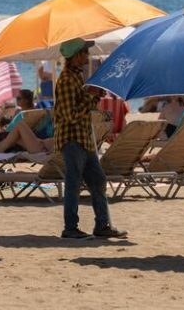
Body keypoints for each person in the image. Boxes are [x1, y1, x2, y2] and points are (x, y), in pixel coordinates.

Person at [55, 38, 126, 240]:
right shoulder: (68, 79)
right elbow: (70, 116)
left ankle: (102, 225)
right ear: (75, 56)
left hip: (83, 139)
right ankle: (70, 228)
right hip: (73, 139)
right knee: (73, 183)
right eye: (84, 52)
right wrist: (91, 95)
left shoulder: (76, 78)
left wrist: (92, 95)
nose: (87, 56)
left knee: (98, 181)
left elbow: (83, 107)